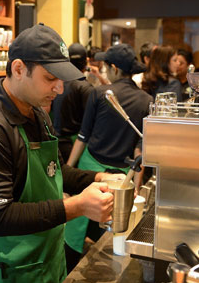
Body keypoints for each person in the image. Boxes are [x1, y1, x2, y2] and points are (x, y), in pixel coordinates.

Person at [0, 24, 118, 283]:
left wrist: (100, 177)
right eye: (50, 78)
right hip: (5, 272)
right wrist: (78, 206)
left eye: (61, 79)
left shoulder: (37, 112)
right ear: (19, 69)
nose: (59, 89)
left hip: (42, 261)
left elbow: (55, 172)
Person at [64, 44, 152, 270]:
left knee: (74, 231)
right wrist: (136, 187)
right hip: (121, 177)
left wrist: (67, 172)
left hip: (90, 171)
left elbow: (82, 137)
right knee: (111, 237)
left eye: (104, 65)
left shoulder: (100, 93)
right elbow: (139, 150)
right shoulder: (146, 100)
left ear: (113, 68)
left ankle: (70, 270)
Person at [51, 43, 94, 161]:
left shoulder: (57, 83)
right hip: (75, 145)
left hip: (55, 141)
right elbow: (91, 122)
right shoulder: (85, 88)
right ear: (86, 61)